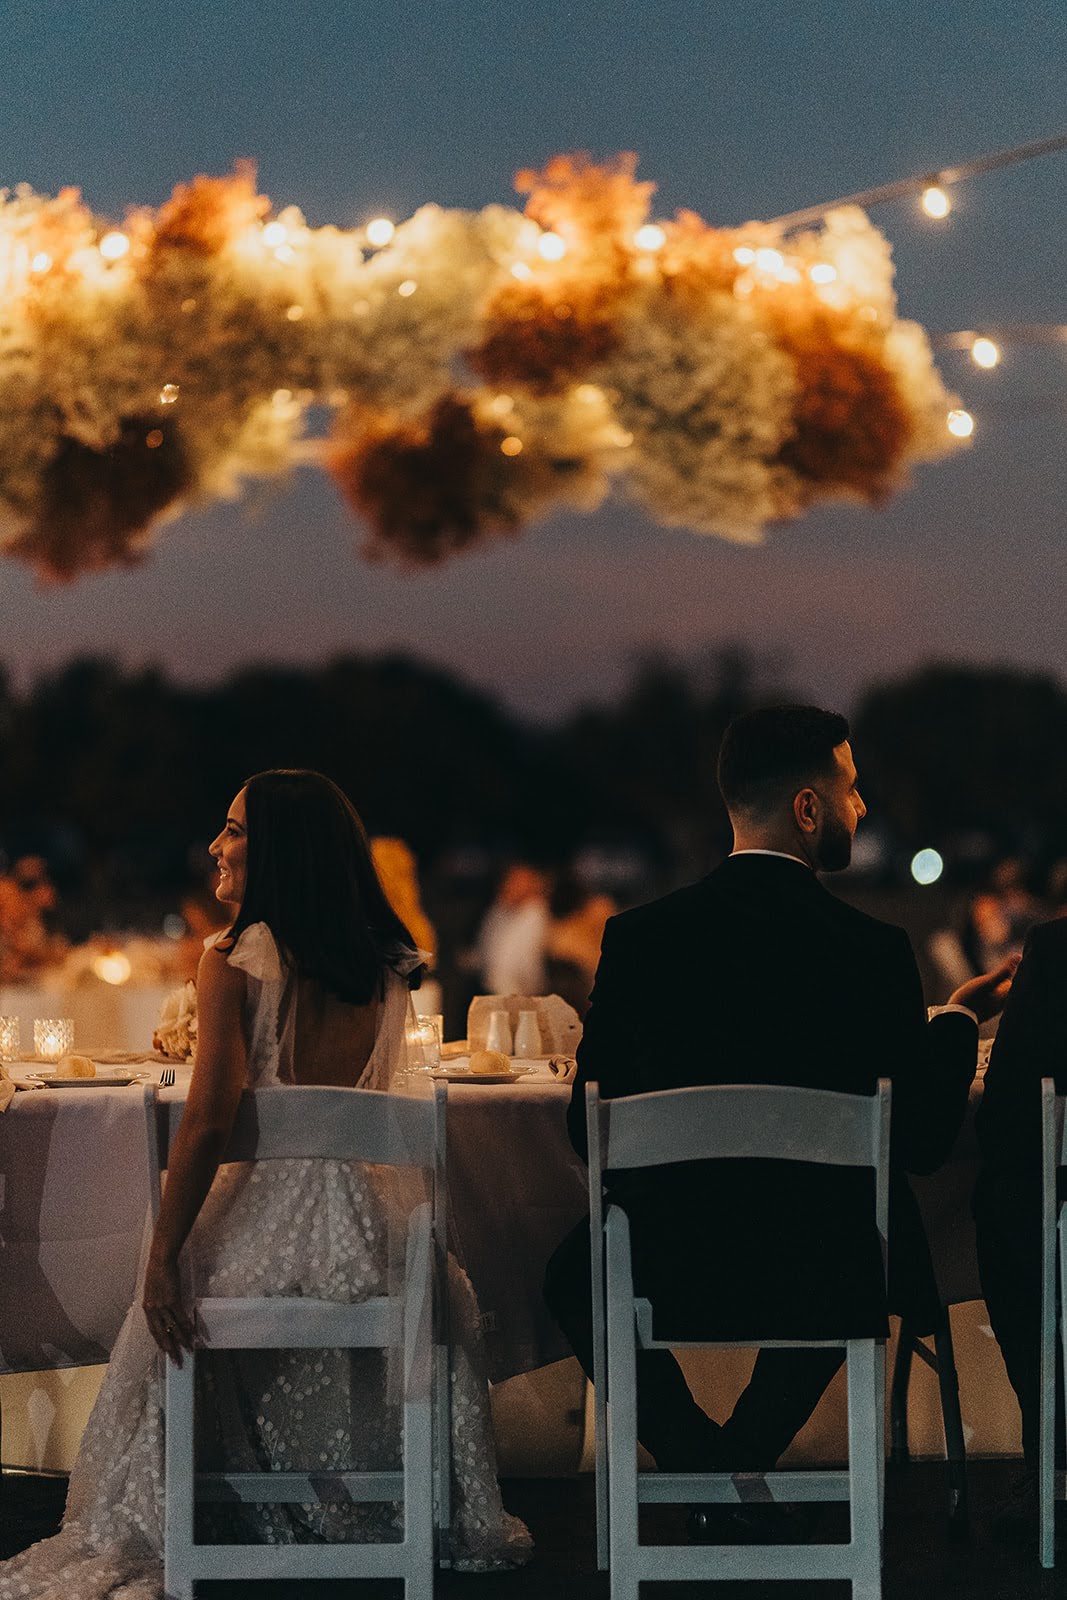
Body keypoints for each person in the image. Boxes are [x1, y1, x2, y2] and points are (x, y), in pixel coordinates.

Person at [0, 770, 529, 1600]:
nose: (216, 845)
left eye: (234, 829)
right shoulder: (387, 966)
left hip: (263, 1228)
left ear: (278, 848)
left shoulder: (235, 959)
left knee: (156, 1287)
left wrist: (164, 1254)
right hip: (373, 1237)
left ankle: (186, 1512)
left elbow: (209, 1121)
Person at [545, 705, 1014, 1511]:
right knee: (860, 1252)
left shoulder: (639, 939)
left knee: (573, 1273)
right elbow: (924, 1141)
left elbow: (584, 1131)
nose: (860, 809)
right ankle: (726, 1470)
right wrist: (957, 1022)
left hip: (670, 1256)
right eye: (851, 790)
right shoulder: (870, 951)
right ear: (806, 808)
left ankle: (703, 1468)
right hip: (821, 1269)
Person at [974, 912, 1067, 1538]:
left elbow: (1010, 1110)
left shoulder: (1057, 947)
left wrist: (958, 1015)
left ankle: (1051, 1458)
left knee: (1010, 1196)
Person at [476, 862, 550, 996]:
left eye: (517, 882)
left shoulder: (537, 915)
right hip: (491, 992)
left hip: (525, 996)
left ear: (534, 885)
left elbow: (529, 966)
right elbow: (485, 952)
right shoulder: (497, 910)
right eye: (508, 880)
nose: (509, 885)